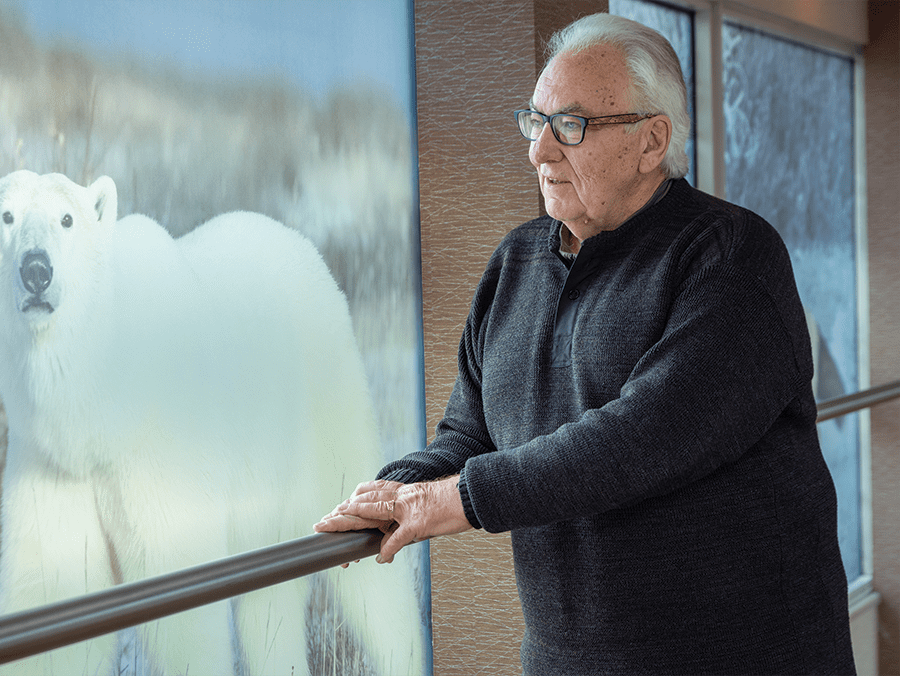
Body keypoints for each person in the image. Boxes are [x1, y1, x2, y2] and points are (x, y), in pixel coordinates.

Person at [314, 12, 856, 675]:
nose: (539, 150)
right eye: (533, 121)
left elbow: (641, 439)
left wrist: (452, 501)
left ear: (651, 140)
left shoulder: (732, 257)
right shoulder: (514, 263)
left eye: (569, 126)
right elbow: (470, 432)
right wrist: (392, 493)